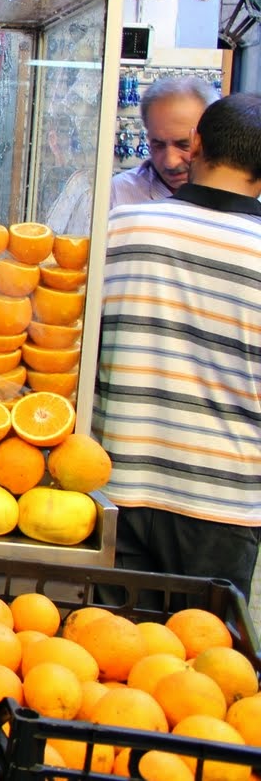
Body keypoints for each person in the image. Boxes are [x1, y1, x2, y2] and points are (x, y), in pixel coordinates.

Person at [96, 93, 261, 592]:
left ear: (197, 144)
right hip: (223, 504)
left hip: (115, 486)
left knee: (104, 637)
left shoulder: (122, 228)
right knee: (201, 640)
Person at [109, 75, 219, 209]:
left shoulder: (234, 195)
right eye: (158, 145)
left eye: (184, 145)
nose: (170, 163)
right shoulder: (117, 195)